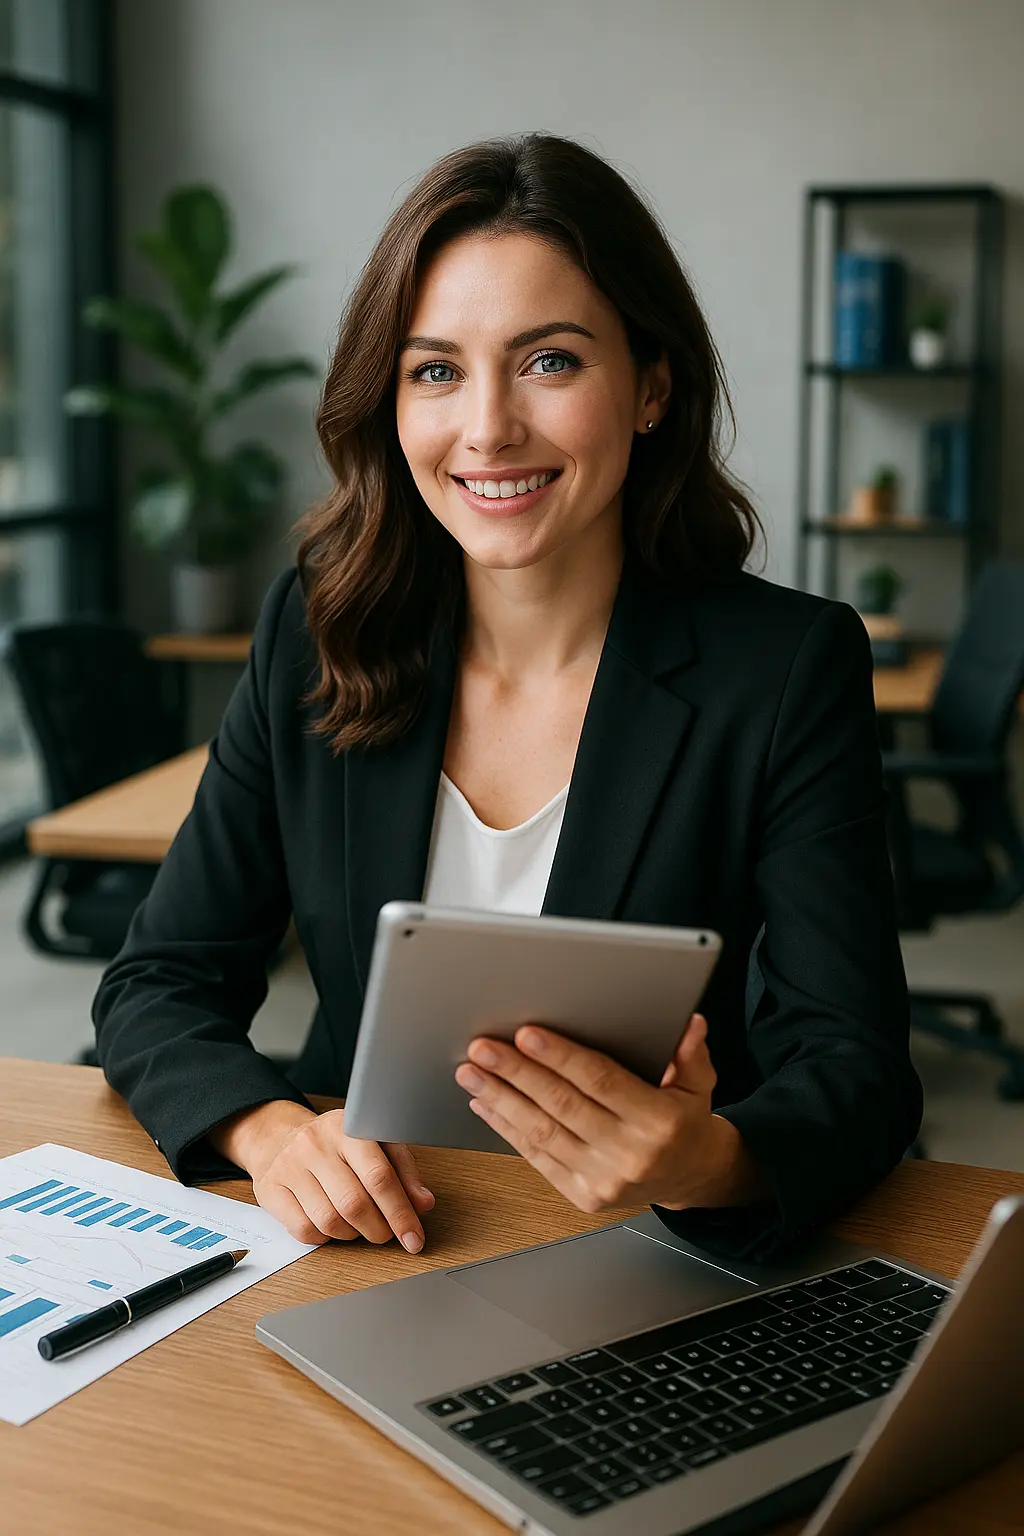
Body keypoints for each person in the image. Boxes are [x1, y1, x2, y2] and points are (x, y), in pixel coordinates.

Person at [93, 133, 922, 1266]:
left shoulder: (783, 668)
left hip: (646, 1262)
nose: (486, 428)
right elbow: (159, 980)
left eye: (549, 362)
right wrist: (273, 1130)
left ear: (651, 387)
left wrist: (710, 1159)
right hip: (364, 1244)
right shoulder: (319, 629)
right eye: (435, 370)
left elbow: (858, 1067)